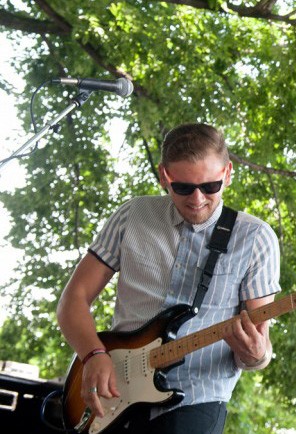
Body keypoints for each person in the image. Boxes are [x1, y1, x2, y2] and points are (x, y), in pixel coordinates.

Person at [57, 123, 281, 434]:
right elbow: (73, 299)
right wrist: (93, 354)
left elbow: (258, 347)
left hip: (196, 399)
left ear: (227, 173)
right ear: (165, 176)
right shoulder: (132, 215)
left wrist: (257, 354)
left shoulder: (256, 239)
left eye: (210, 186)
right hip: (116, 393)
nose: (198, 199)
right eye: (184, 188)